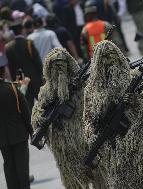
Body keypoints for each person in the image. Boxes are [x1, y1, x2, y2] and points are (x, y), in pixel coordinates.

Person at [83, 40, 143, 188]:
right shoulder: (92, 90)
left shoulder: (134, 79)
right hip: (113, 152)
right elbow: (87, 119)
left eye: (112, 55)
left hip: (141, 147)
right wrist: (94, 136)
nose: (109, 61)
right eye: (104, 58)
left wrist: (137, 102)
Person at [31, 48, 106, 189]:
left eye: (62, 65)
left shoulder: (82, 85)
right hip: (64, 149)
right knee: (73, 183)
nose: (59, 70)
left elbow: (97, 104)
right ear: (48, 68)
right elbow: (37, 114)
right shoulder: (45, 92)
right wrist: (39, 119)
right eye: (55, 66)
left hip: (87, 142)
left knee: (99, 179)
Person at [0, 56, 33, 189]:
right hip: (19, 134)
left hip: (2, 137)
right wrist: (31, 131)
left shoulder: (12, 87)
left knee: (9, 166)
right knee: (22, 168)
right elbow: (25, 112)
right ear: (3, 72)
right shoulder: (12, 89)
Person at [5, 20, 43, 109]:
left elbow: (11, 67)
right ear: (22, 30)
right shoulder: (28, 43)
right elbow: (37, 61)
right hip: (35, 79)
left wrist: (15, 81)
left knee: (28, 106)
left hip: (21, 82)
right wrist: (43, 74)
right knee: (43, 102)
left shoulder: (8, 47)